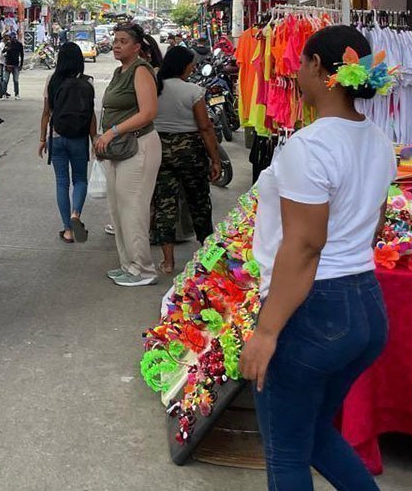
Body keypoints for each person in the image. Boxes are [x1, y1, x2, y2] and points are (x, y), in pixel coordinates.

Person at [240, 25, 395, 491]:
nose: (293, 71)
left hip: (314, 310)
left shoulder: (309, 146)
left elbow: (305, 246)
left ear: (317, 69)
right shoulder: (377, 139)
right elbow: (375, 226)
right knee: (311, 435)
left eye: (300, 62)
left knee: (286, 452)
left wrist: (267, 332)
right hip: (365, 303)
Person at [94, 22, 163, 287]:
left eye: (123, 41)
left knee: (133, 209)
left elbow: (148, 112)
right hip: (118, 149)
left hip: (138, 146)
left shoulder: (141, 70)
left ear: (136, 47)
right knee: (118, 209)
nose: (116, 45)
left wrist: (112, 131)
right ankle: (128, 265)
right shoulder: (118, 71)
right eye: (115, 40)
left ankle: (143, 269)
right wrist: (103, 138)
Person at [151, 47, 222, 274]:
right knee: (199, 201)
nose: (193, 67)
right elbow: (204, 127)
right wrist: (215, 159)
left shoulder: (154, 87)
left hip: (160, 149)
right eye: (191, 64)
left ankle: (168, 262)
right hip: (190, 150)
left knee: (165, 204)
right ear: (183, 65)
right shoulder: (194, 91)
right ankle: (207, 256)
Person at [38, 42, 96, 243]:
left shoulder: (52, 80)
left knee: (61, 182)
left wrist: (42, 139)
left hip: (57, 137)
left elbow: (46, 113)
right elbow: (90, 115)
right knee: (80, 180)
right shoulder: (88, 82)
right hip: (79, 138)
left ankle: (68, 230)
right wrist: (94, 138)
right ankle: (76, 215)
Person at [1, 33, 24, 99]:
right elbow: (3, 51)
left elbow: (22, 55)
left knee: (16, 80)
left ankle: (17, 94)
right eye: (11, 38)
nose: (12, 39)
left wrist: (21, 65)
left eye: (14, 38)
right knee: (5, 80)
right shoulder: (8, 44)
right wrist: (6, 48)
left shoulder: (19, 44)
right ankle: (4, 94)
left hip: (16, 65)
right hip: (8, 64)